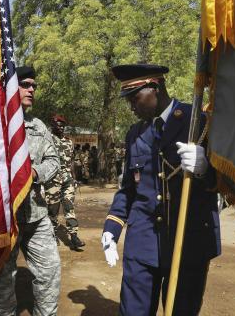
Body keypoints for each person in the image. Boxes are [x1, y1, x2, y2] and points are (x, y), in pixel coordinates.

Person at [101, 64, 221, 315]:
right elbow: (128, 190)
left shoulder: (198, 121)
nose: (131, 107)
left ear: (155, 87)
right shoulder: (135, 133)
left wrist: (205, 169)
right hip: (142, 242)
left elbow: (229, 184)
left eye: (135, 98)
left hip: (187, 242)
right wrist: (112, 227)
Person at [0, 66, 61, 316]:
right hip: (5, 216)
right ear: (10, 88)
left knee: (50, 272)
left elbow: (54, 161)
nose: (32, 89)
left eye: (34, 86)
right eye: (25, 85)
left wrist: (34, 172)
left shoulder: (39, 126)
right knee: (2, 278)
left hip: (36, 214)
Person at [45, 114, 86, 249]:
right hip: (52, 179)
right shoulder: (47, 139)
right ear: (52, 125)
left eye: (62, 125)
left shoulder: (69, 142)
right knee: (53, 210)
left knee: (69, 207)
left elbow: (71, 161)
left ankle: (74, 237)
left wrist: (74, 178)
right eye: (57, 125)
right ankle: (52, 235)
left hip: (67, 179)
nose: (60, 127)